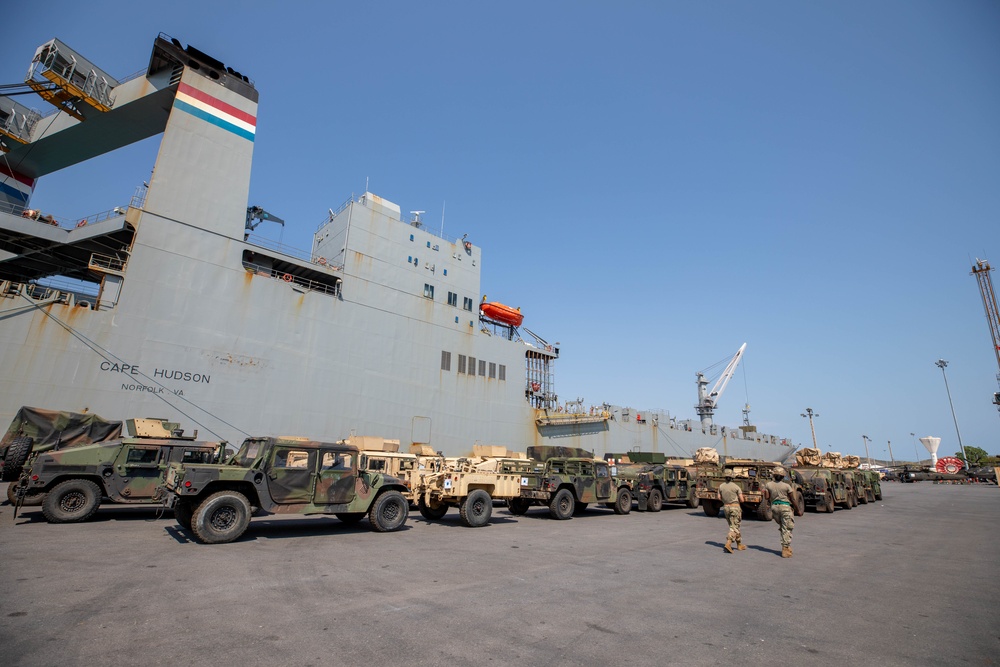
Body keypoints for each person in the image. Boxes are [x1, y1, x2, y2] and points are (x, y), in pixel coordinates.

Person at [764, 467, 795, 558]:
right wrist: (798, 510)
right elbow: (792, 498)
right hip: (785, 507)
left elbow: (766, 497)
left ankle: (787, 546)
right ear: (782, 476)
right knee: (787, 527)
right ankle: (785, 549)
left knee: (782, 527)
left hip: (774, 508)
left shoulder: (768, 485)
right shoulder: (786, 486)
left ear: (773, 475)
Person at [719, 469, 745, 553]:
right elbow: (742, 500)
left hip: (726, 507)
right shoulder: (736, 487)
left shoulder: (721, 486)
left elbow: (719, 497)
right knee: (734, 527)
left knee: (733, 525)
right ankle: (728, 543)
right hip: (735, 508)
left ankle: (739, 544)